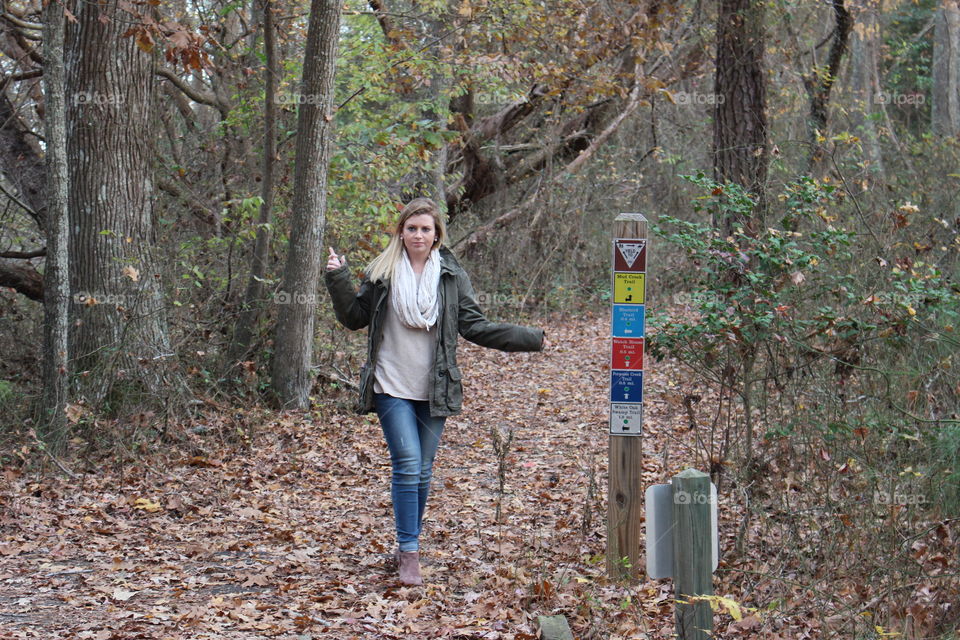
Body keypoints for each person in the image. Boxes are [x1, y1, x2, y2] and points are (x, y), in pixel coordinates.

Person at [324, 197, 544, 586]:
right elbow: (354, 319)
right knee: (407, 465)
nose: (419, 235)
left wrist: (530, 339)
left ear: (436, 233)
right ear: (402, 232)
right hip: (391, 383)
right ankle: (409, 552)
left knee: (423, 471)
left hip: (435, 387)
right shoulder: (381, 272)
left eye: (426, 229)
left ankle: (407, 542)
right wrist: (339, 277)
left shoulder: (451, 276)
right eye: (412, 228)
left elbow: (473, 325)